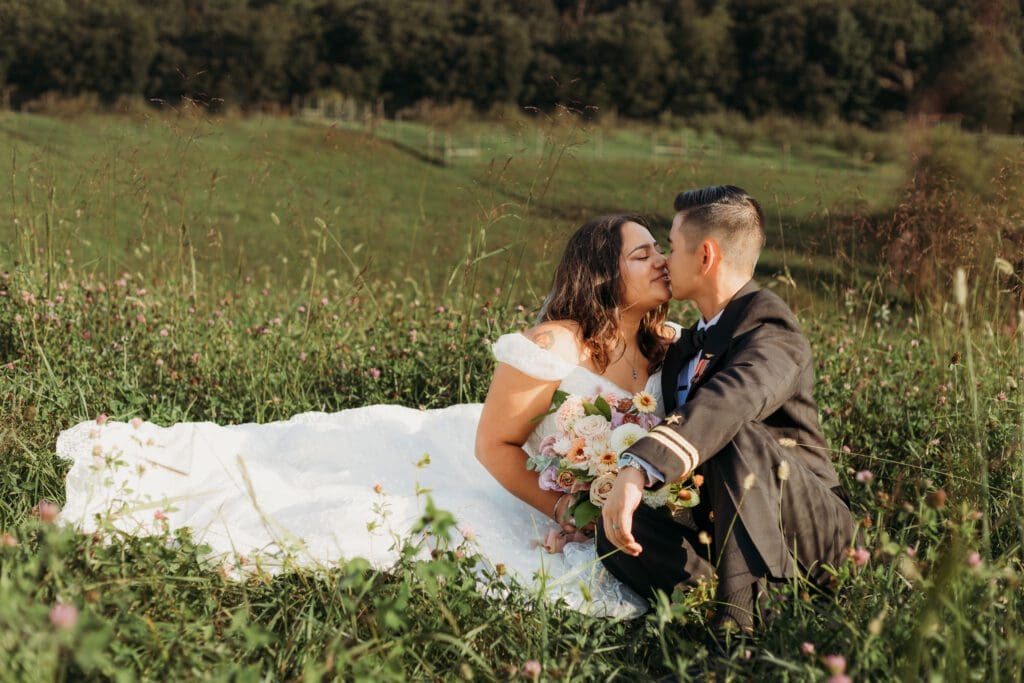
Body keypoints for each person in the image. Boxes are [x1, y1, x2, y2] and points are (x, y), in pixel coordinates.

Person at [56, 213, 675, 618]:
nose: (661, 262)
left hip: (574, 484)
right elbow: (495, 449)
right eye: (643, 254)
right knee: (335, 499)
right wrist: (568, 510)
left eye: (660, 251)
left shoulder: (666, 345)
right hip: (481, 463)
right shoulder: (553, 347)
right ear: (602, 272)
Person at [598, 186, 854, 638]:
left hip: (811, 532)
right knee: (618, 531)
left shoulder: (772, 330)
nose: (664, 261)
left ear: (706, 256)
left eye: (672, 248)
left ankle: (737, 629)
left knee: (735, 430)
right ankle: (723, 605)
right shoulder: (684, 347)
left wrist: (637, 468)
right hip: (723, 526)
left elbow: (732, 399)